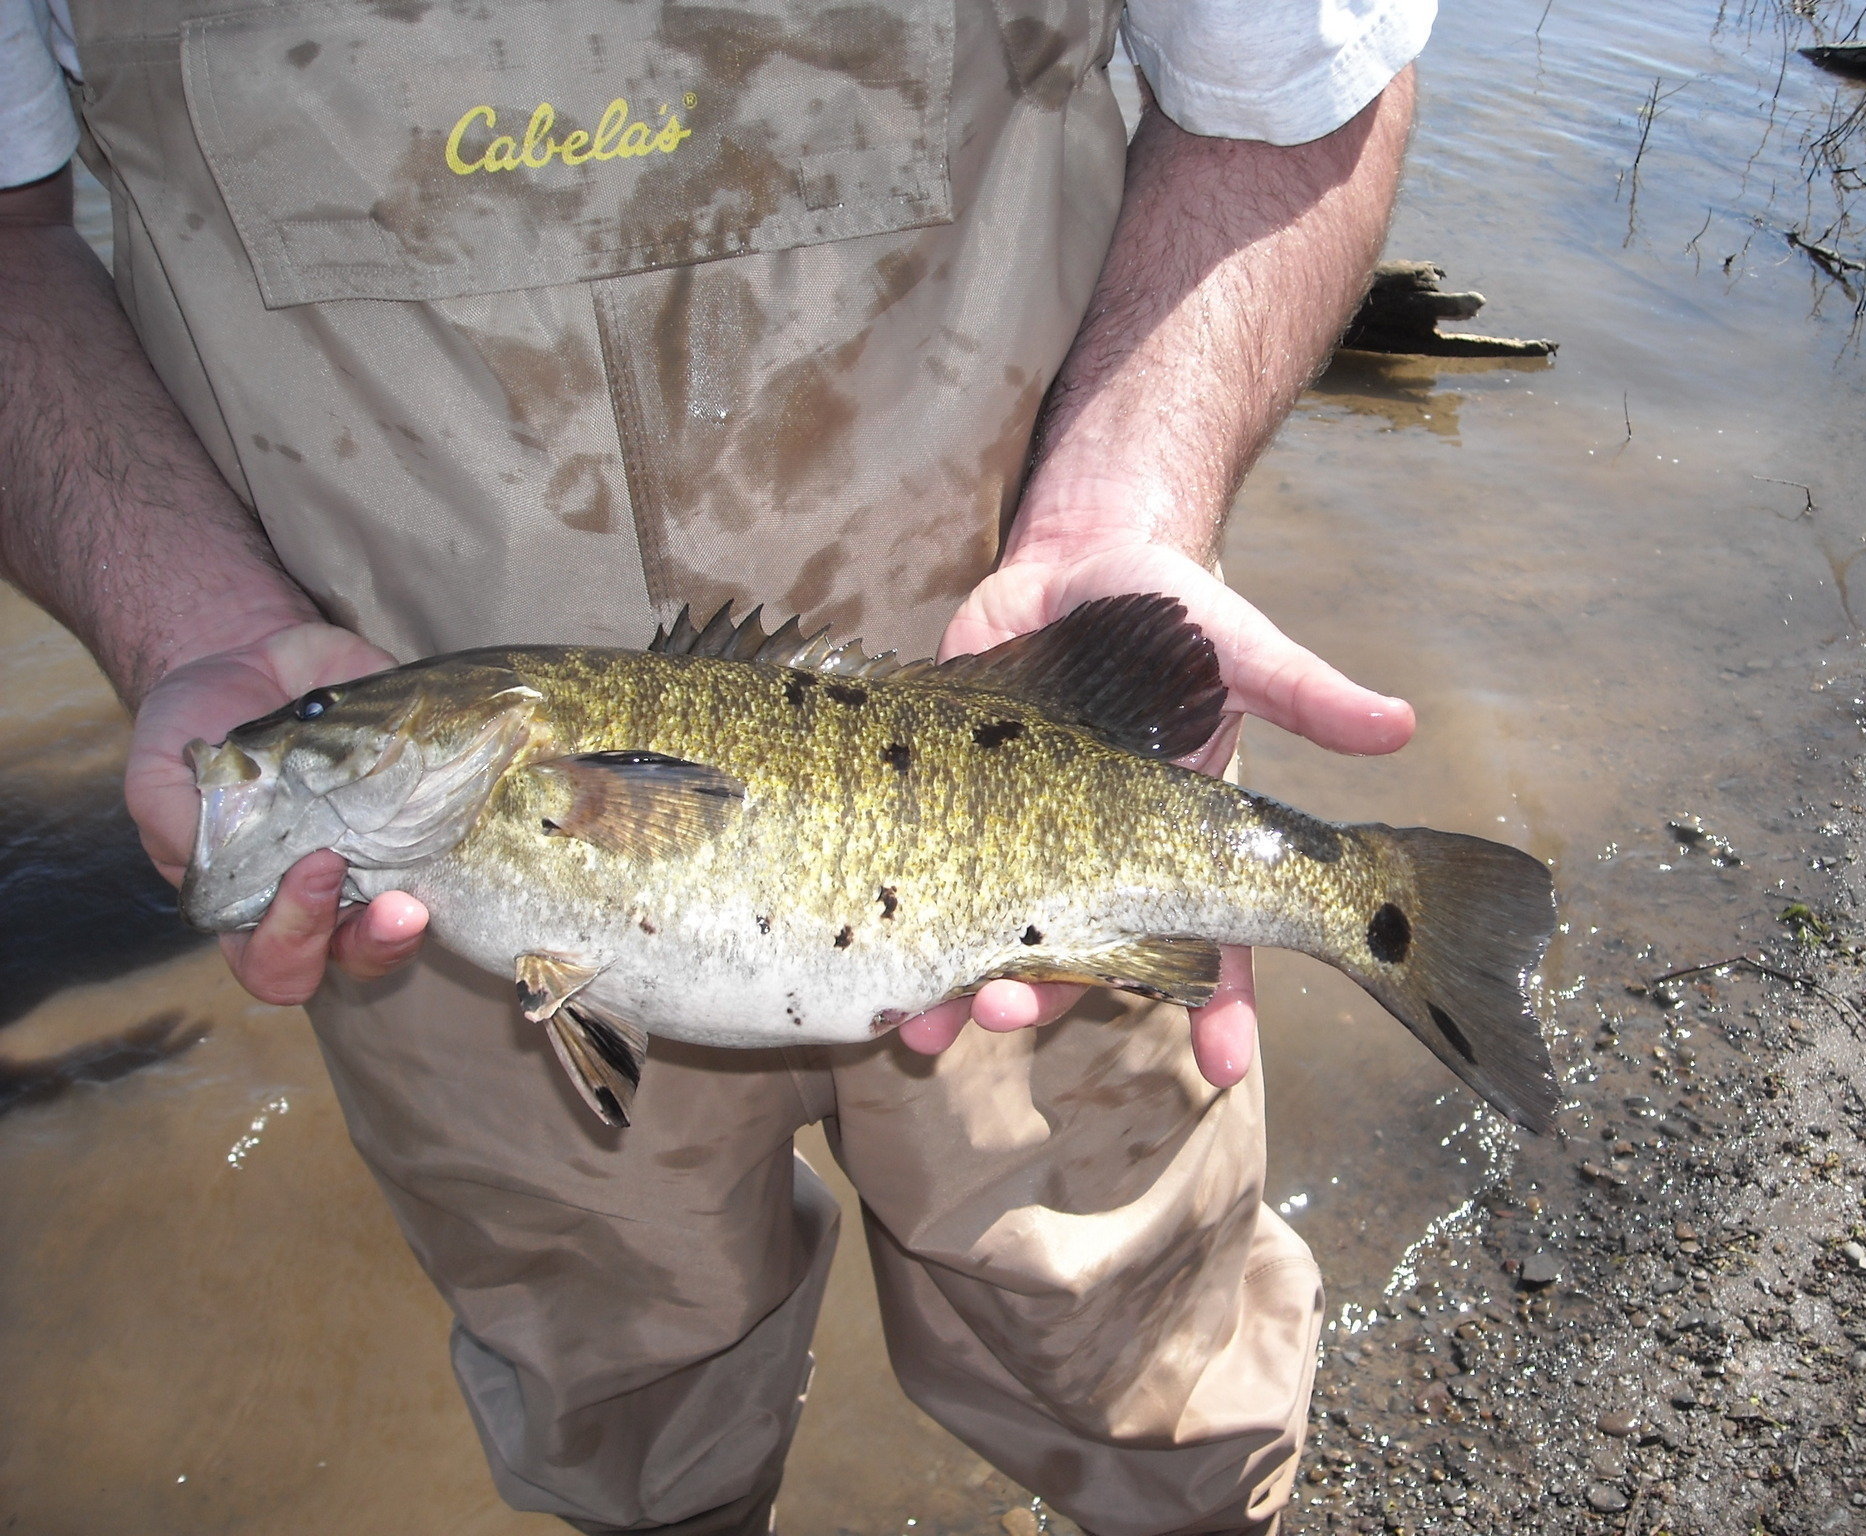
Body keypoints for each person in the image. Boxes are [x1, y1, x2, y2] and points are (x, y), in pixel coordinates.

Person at [0, 1, 1429, 1530]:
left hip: (996, 639)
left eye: (330, 753)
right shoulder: (463, 824)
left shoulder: (538, 771)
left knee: (1150, 1356)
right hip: (408, 812)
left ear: (508, 756)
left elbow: (1297, 86)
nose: (292, 767)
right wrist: (192, 624)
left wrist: (1133, 497)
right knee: (623, 1412)